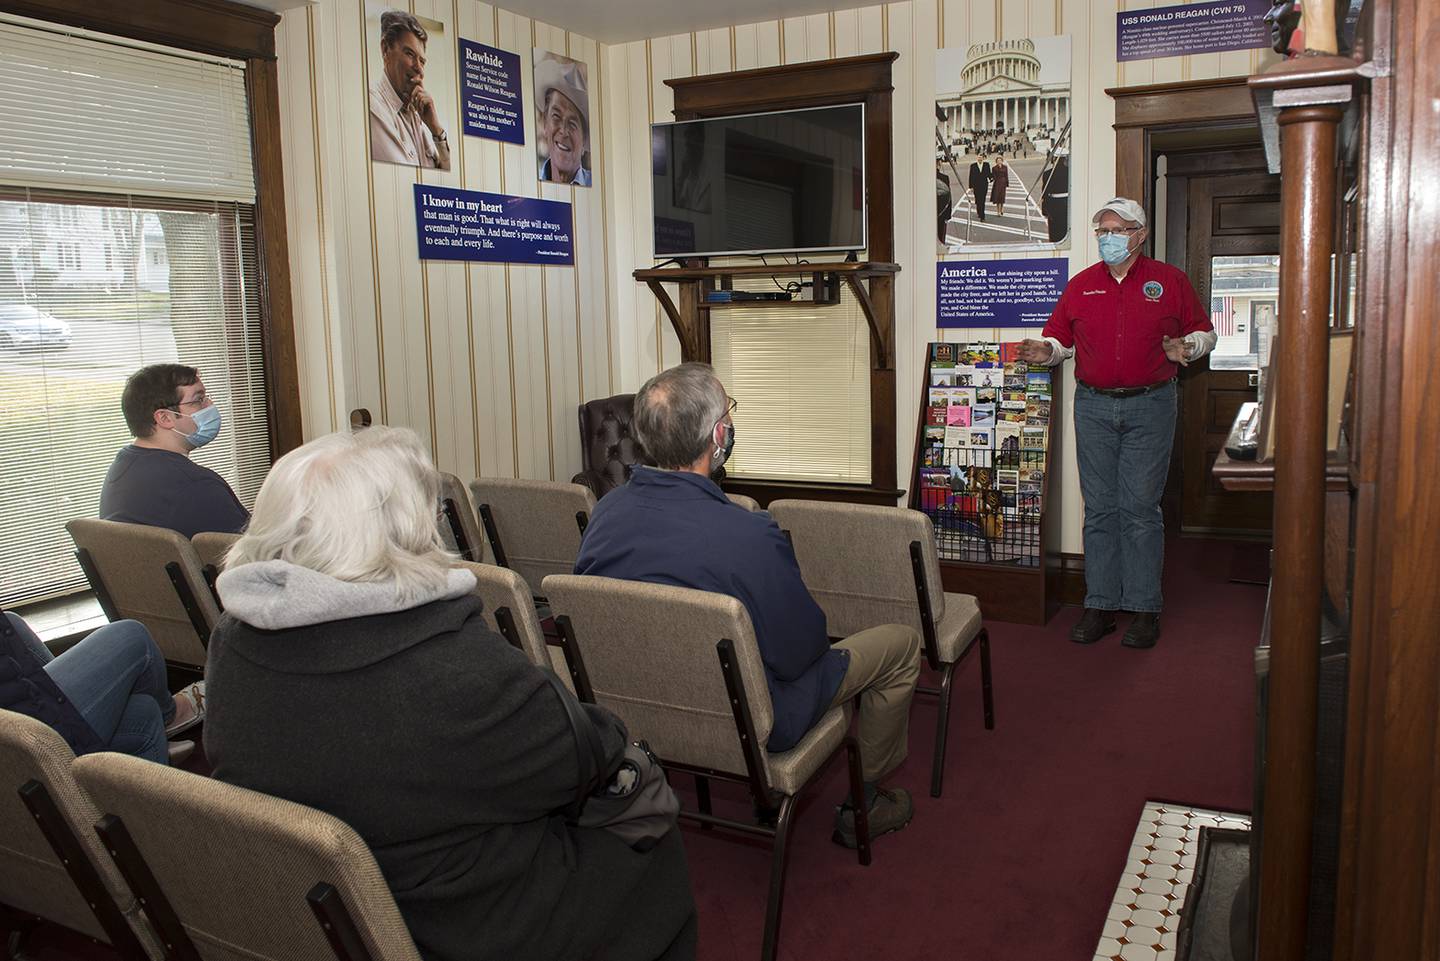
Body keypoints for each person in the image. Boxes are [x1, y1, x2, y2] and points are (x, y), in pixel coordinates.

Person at [204, 426, 696, 961]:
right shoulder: (460, 673)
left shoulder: (232, 640)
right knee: (654, 839)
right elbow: (585, 757)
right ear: (410, 529)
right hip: (463, 919)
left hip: (316, 906)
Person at [574, 363, 922, 848]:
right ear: (719, 435)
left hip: (638, 705)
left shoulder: (604, 514)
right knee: (902, 646)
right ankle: (865, 802)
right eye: (729, 412)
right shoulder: (747, 532)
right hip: (751, 721)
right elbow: (805, 650)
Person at [1017, 198, 1216, 649]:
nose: (1108, 237)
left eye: (1117, 228)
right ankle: (1101, 604)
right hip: (1093, 407)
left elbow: (1206, 330)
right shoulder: (1081, 285)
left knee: (1141, 510)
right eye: (1101, 229)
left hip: (1151, 406)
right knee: (1101, 509)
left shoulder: (1170, 281)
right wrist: (1045, 352)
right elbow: (1060, 341)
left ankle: (1145, 608)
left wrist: (1190, 346)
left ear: (1139, 234)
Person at [2, 611, 202, 764]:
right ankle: (170, 715)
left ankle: (144, 744)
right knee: (133, 635)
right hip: (30, 737)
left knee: (143, 711)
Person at [100, 364, 249, 538]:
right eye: (198, 400)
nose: (210, 405)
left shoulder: (122, 467)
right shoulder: (195, 484)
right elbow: (258, 553)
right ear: (164, 418)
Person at [367, 10, 451, 170]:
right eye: (409, 54)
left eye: (422, 61)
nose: (419, 69)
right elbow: (409, 176)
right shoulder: (373, 106)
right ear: (385, 50)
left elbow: (449, 177)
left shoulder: (418, 113)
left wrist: (436, 130)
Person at [536, 57, 592, 186]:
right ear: (545, 123)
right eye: (556, 116)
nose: (563, 130)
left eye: (572, 123)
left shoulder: (596, 184)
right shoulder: (529, 183)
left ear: (584, 140)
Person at [1041, 148, 1070, 243]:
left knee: (1055, 231)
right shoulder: (1070, 171)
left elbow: (1045, 193)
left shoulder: (1047, 174)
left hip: (1054, 205)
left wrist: (1044, 210)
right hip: (1068, 203)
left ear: (1054, 158)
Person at [967, 156, 992, 221]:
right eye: (979, 157)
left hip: (984, 185)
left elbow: (989, 173)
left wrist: (991, 178)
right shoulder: (973, 166)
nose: (980, 158)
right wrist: (971, 186)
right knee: (978, 200)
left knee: (982, 200)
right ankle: (979, 211)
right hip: (976, 186)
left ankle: (982, 216)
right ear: (977, 158)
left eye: (981, 157)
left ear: (983, 158)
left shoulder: (986, 165)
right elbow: (971, 176)